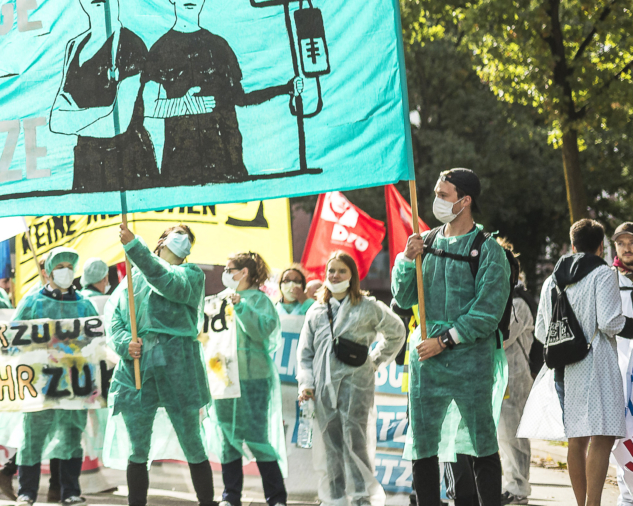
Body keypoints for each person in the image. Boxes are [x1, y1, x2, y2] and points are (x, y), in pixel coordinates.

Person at [391, 168, 509, 506]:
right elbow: (404, 298)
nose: (436, 201)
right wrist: (405, 260)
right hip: (426, 364)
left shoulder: (487, 251)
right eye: (437, 194)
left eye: (444, 195)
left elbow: (486, 313)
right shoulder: (425, 243)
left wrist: (444, 341)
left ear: (466, 200)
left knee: (481, 444)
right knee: (423, 444)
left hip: (470, 362)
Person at [139, 0, 303, 185]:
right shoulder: (160, 50)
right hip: (180, 170)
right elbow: (143, 107)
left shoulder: (219, 47)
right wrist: (181, 106)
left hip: (227, 166)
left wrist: (285, 88)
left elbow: (241, 99)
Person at [104, 224, 214, 506]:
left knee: (191, 438)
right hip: (137, 367)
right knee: (138, 444)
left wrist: (134, 247)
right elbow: (114, 318)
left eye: (189, 238)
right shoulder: (132, 279)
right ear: (162, 240)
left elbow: (166, 281)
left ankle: (207, 501)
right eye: (178, 235)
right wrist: (124, 343)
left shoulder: (192, 276)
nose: (184, 241)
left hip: (179, 365)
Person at [296, 251, 405, 506]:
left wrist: (375, 361)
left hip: (357, 386)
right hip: (323, 389)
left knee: (356, 443)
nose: (335, 275)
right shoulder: (316, 310)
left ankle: (360, 497)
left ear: (352, 276)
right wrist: (307, 384)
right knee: (330, 445)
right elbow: (305, 354)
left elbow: (397, 332)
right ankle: (334, 498)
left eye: (341, 271)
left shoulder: (368, 306)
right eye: (331, 271)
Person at [47, 0, 157, 192]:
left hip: (128, 164)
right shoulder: (74, 47)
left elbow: (117, 124)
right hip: (86, 166)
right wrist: (104, 111)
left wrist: (75, 118)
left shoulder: (129, 45)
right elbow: (56, 120)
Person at [536, 219, 624, 506]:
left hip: (562, 366)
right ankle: (593, 504)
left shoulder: (552, 279)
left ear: (572, 245)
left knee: (577, 438)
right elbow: (610, 323)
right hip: (595, 362)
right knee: (602, 436)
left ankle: (581, 503)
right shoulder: (603, 273)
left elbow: (540, 330)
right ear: (601, 246)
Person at [10, 248, 97, 506]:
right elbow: (11, 337)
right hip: (40, 382)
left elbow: (97, 341)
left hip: (74, 382)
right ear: (47, 272)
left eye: (70, 266)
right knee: (33, 437)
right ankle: (26, 492)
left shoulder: (84, 304)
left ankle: (70, 491)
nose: (65, 271)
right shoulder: (32, 302)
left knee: (71, 434)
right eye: (60, 266)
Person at [213, 252, 285, 506]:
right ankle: (231, 496)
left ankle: (276, 497)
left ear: (244, 272)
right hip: (223, 379)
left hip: (254, 379)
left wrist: (241, 306)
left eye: (229, 268)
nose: (225, 272)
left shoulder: (260, 300)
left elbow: (262, 329)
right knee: (227, 438)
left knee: (257, 437)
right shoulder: (218, 301)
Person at [495, 240, 535, 506]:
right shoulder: (495, 300)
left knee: (513, 432)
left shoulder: (518, 302)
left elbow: (501, 337)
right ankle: (508, 484)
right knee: (499, 435)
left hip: (514, 374)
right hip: (496, 374)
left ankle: (519, 486)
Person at [611, 224, 633, 506]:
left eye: (632, 242)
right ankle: (627, 497)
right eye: (622, 243)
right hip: (616, 373)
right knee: (622, 439)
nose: (627, 247)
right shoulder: (608, 280)